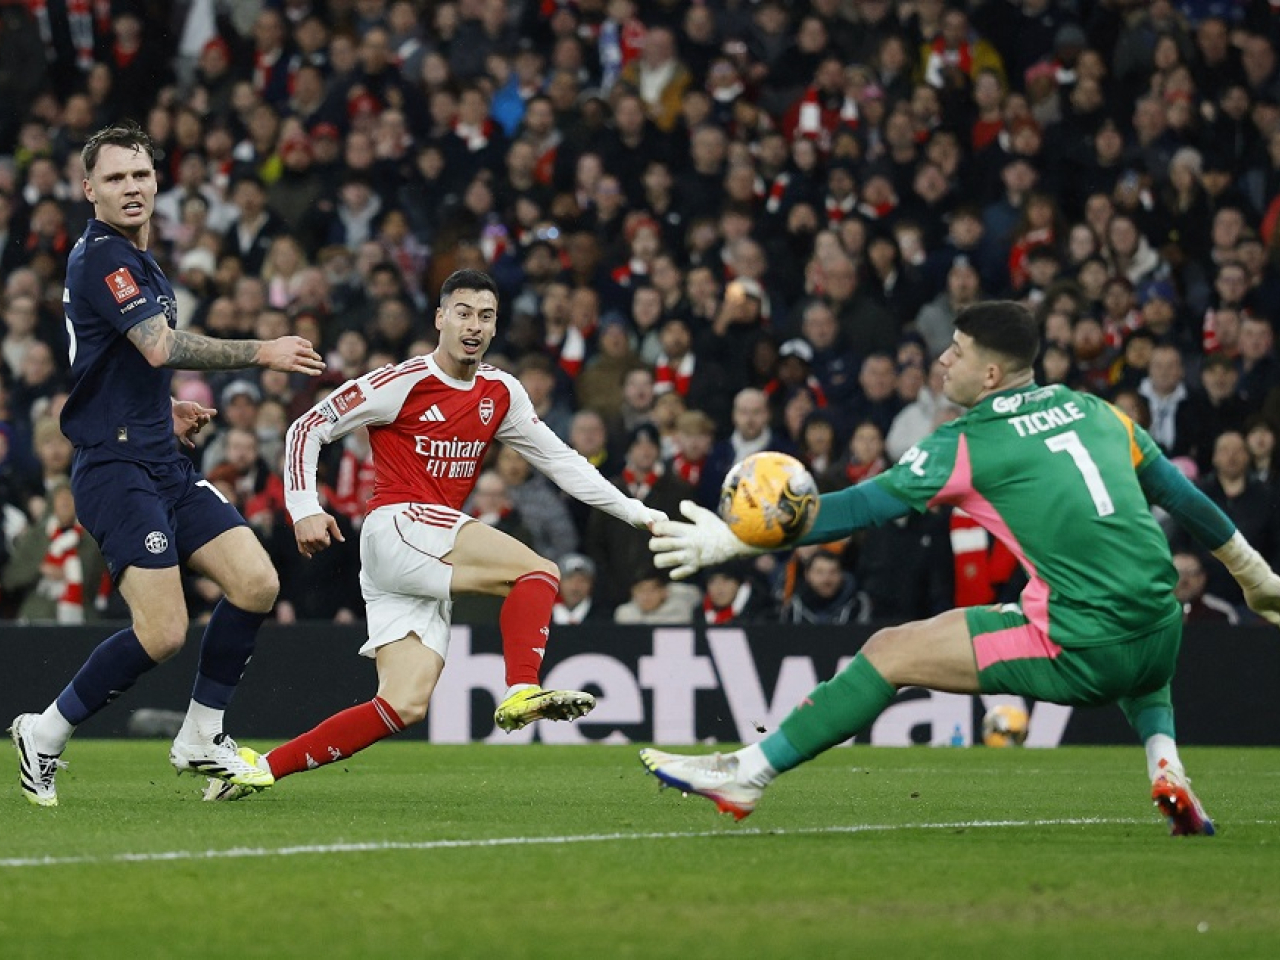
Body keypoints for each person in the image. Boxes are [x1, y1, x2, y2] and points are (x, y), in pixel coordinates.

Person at [641, 300, 1280, 836]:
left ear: (993, 372)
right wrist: (1256, 578)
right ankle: (1168, 767)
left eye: (958, 351)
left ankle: (748, 773)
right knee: (1133, 630)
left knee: (889, 651)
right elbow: (1185, 498)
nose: (943, 360)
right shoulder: (1099, 413)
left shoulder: (968, 442)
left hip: (1084, 645)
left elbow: (864, 506)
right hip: (1162, 632)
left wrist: (734, 539)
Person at [205, 269, 666, 800]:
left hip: (413, 554)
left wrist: (636, 512)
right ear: (440, 318)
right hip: (399, 525)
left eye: (486, 316)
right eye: (464, 312)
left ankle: (258, 769)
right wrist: (304, 506)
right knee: (539, 572)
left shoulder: (500, 392)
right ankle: (521, 689)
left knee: (403, 704)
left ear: (495, 328)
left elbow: (563, 463)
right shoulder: (401, 381)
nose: (474, 325)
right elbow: (307, 426)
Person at [8, 121, 325, 807]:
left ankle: (201, 736)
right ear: (88, 189)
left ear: (158, 183)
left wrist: (166, 405)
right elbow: (156, 344)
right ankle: (45, 731)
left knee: (256, 582)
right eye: (116, 177)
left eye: (142, 175)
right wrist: (260, 350)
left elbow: (119, 359)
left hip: (159, 454)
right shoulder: (103, 258)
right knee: (164, 632)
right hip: (114, 469)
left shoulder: (136, 258)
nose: (132, 187)